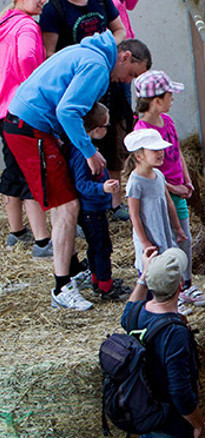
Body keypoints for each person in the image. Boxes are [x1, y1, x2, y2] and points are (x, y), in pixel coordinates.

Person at [2, 29, 150, 311]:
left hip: (30, 125)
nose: (128, 81)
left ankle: (72, 269)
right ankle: (61, 287)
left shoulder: (88, 53)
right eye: (132, 73)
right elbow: (68, 111)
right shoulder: (96, 65)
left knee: (66, 199)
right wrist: (89, 151)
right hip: (28, 128)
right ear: (126, 56)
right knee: (68, 205)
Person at [42, 0, 131, 220]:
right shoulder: (53, 9)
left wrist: (104, 49)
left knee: (116, 137)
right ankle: (85, 205)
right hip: (78, 89)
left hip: (109, 79)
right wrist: (84, 60)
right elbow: (50, 56)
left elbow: (120, 29)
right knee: (81, 146)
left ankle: (115, 203)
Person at [134, 70, 205, 309]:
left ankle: (186, 284)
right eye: (169, 95)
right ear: (156, 101)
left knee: (183, 238)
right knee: (165, 242)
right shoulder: (142, 132)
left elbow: (178, 154)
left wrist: (187, 181)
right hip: (160, 196)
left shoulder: (168, 122)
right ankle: (169, 292)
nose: (173, 99)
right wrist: (174, 187)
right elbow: (150, 174)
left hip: (177, 192)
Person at [122, 246, 204, 438]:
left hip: (144, 412)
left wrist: (143, 277)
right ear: (180, 286)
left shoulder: (135, 315)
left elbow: (130, 307)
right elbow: (180, 392)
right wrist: (198, 424)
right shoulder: (175, 333)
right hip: (170, 425)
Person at [0, 0, 52, 257]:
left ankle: (16, 233)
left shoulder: (4, 21)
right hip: (21, 108)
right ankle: (43, 242)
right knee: (31, 171)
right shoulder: (27, 26)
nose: (43, 0)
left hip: (2, 108)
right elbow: (26, 59)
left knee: (12, 168)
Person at [67, 102, 130, 300]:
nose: (108, 129)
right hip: (90, 210)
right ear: (96, 129)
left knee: (96, 246)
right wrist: (102, 188)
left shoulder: (87, 147)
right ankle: (105, 286)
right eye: (106, 126)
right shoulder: (81, 154)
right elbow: (82, 184)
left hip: (95, 208)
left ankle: (98, 280)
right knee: (102, 247)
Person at [124, 128, 188, 309]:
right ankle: (152, 307)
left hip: (163, 232)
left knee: (168, 267)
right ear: (139, 156)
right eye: (155, 150)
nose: (161, 153)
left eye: (161, 149)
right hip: (150, 236)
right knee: (152, 272)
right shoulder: (135, 182)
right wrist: (144, 242)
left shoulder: (159, 175)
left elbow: (168, 203)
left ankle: (172, 301)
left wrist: (177, 228)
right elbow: (134, 215)